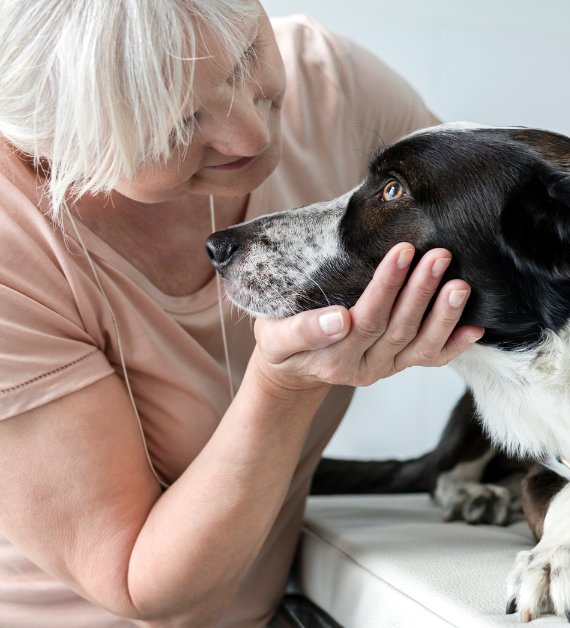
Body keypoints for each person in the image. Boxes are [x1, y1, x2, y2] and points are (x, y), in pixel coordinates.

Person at [0, 1, 482, 625]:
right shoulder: (15, 246)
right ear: (61, 146)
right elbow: (140, 582)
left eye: (246, 57)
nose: (251, 135)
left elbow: (502, 253)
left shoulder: (333, 87)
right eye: (171, 127)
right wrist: (285, 386)